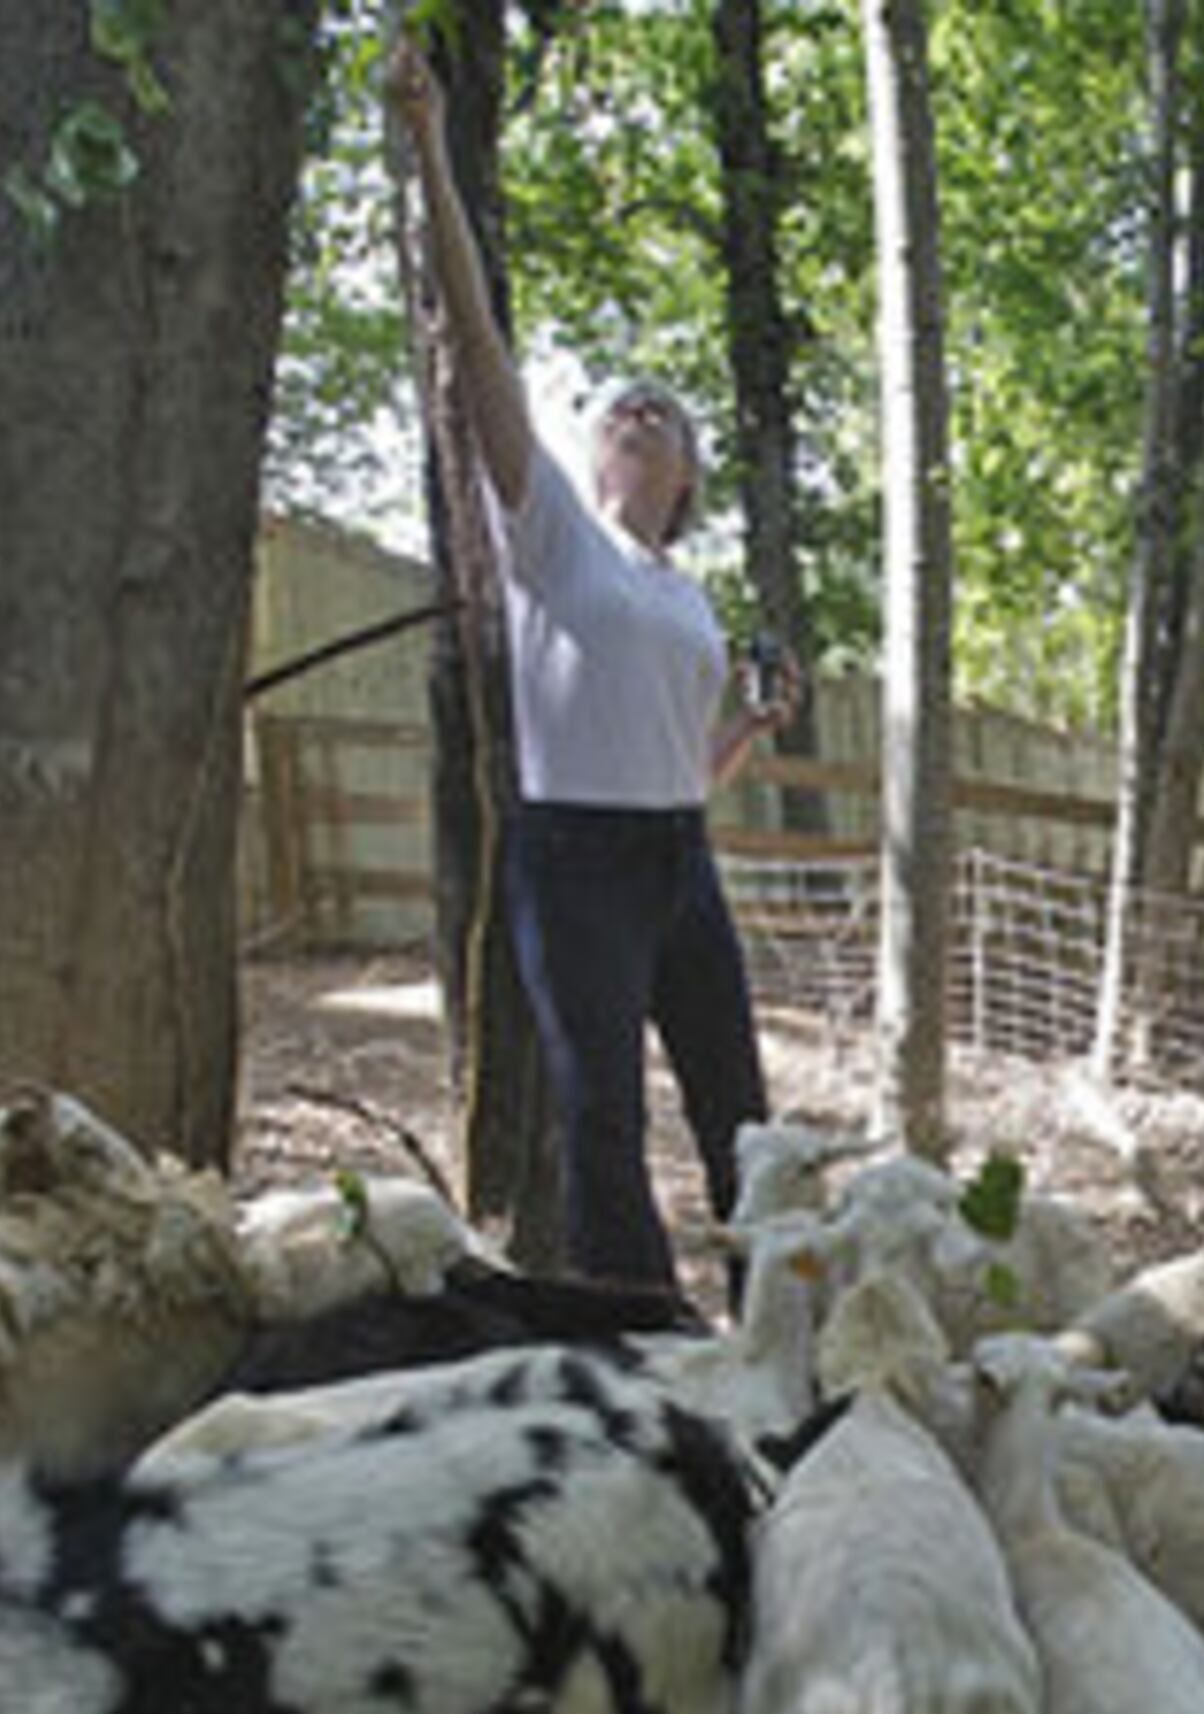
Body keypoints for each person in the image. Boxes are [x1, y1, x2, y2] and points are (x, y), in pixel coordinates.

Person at [389, 42, 796, 1296]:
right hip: (573, 867)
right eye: (618, 405)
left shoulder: (689, 598)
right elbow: (483, 349)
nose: (636, 411)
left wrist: (753, 731)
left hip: (681, 860)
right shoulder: (555, 537)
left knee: (742, 1113)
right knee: (603, 1126)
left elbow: (683, 764)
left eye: (662, 414)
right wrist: (430, 158)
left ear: (685, 476)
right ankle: (644, 1345)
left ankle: (780, 1318)